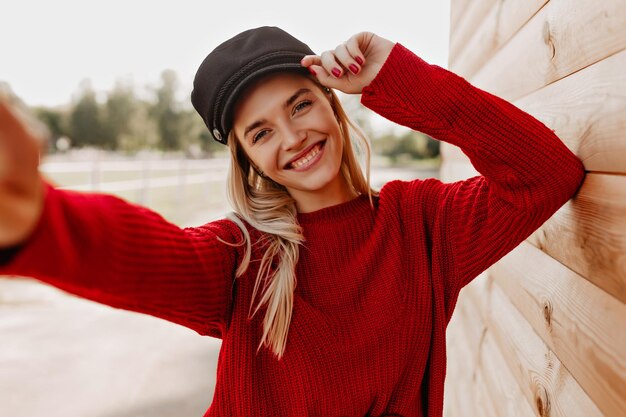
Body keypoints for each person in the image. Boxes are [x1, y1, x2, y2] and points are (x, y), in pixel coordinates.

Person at [0, 26, 584, 417]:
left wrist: (396, 77)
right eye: (261, 132)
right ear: (248, 159)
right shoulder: (239, 255)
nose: (293, 137)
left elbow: (546, 173)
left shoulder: (426, 224)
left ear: (333, 101)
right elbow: (144, 258)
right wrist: (40, 220)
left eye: (300, 104)